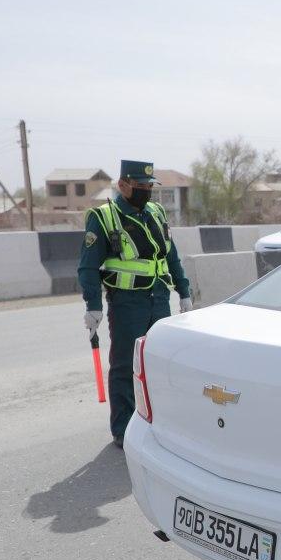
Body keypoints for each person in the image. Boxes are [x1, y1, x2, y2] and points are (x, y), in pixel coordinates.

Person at [78, 160, 192, 448]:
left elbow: (170, 255)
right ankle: (123, 428)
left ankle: (156, 421)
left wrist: (184, 291)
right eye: (140, 186)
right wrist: (93, 305)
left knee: (158, 363)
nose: (146, 191)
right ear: (123, 185)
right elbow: (88, 267)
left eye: (149, 186)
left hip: (159, 298)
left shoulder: (156, 212)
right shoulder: (104, 217)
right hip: (127, 302)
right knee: (125, 365)